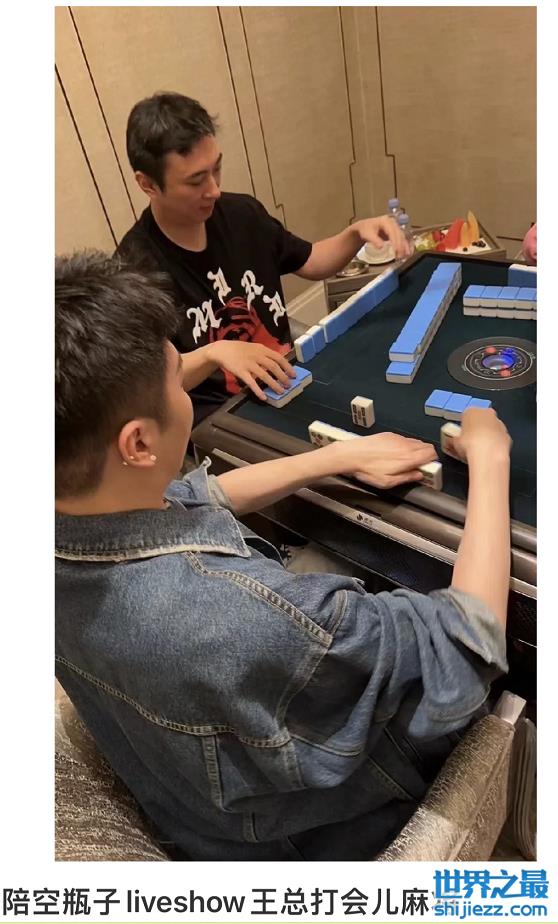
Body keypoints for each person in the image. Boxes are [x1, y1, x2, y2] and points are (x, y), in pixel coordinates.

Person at [55, 252, 511, 861]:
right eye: (178, 378)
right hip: (315, 837)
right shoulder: (253, 619)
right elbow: (465, 645)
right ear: (137, 443)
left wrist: (337, 457)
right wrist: (490, 457)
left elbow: (195, 497)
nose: (186, 387)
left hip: (192, 800)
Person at [117, 92, 410, 424]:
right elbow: (150, 386)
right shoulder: (133, 273)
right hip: (224, 417)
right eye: (196, 181)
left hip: (288, 380)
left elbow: (312, 261)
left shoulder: (242, 213)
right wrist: (214, 353)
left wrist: (355, 234)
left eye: (217, 169)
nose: (214, 190)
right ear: (148, 184)